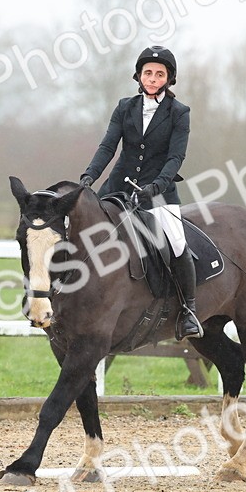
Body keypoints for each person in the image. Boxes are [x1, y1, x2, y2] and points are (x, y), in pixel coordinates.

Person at [79, 45, 203, 340]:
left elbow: (176, 157)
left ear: (168, 79)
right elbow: (108, 146)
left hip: (159, 191)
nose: (152, 78)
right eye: (148, 73)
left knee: (176, 244)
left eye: (159, 74)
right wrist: (89, 176)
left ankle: (188, 310)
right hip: (117, 187)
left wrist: (158, 185)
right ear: (139, 75)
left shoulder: (179, 113)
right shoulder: (125, 107)